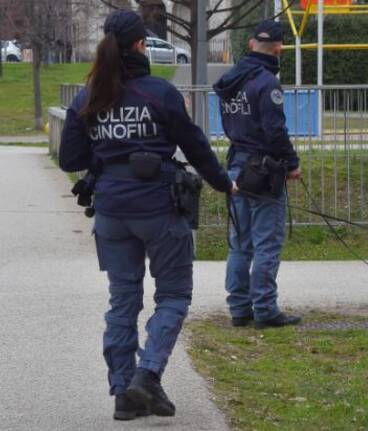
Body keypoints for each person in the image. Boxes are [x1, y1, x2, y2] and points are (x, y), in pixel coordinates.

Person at [59, 10, 236, 421]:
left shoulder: (87, 97)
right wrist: (224, 183)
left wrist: (107, 151)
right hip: (158, 208)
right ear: (141, 45)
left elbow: (71, 157)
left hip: (111, 212)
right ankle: (148, 375)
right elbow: (194, 146)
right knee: (173, 295)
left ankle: (124, 392)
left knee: (122, 301)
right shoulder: (160, 93)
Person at [214, 20, 302, 330]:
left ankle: (239, 308)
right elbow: (275, 131)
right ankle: (265, 309)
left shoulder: (231, 80)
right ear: (278, 49)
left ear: (251, 44)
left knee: (240, 242)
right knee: (267, 242)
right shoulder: (267, 83)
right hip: (264, 171)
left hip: (237, 165)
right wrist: (292, 163)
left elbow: (228, 123)